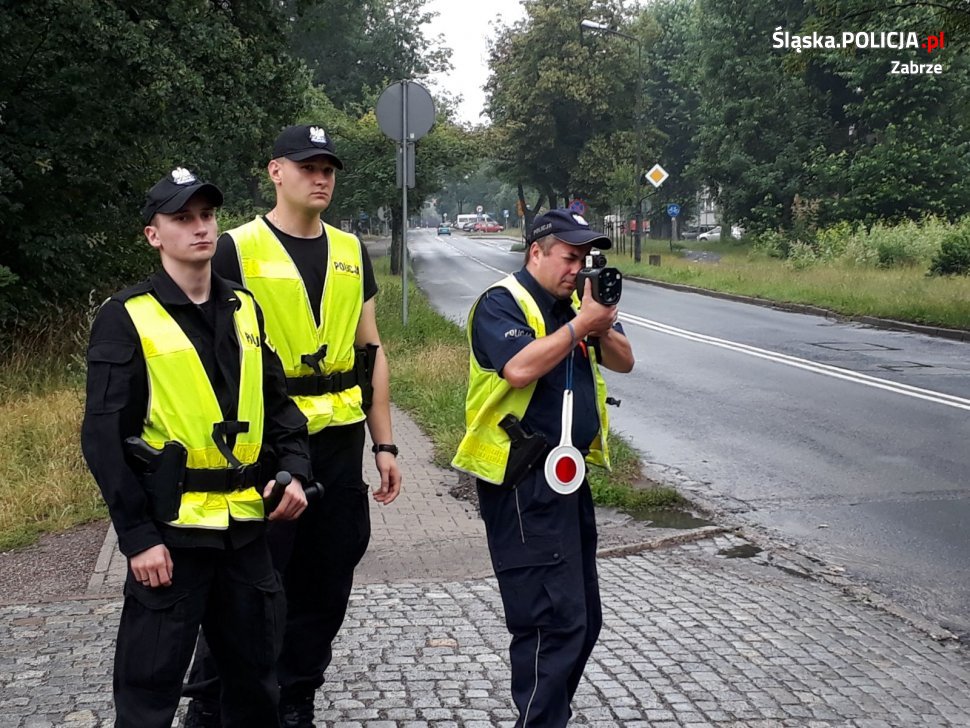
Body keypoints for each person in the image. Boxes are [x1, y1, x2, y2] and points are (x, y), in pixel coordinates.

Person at [184, 125, 402, 727]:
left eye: (328, 167)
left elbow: (371, 349)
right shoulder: (235, 249)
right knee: (253, 584)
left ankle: (296, 698)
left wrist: (385, 443)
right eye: (307, 166)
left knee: (327, 579)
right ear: (276, 171)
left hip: (340, 441)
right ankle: (209, 703)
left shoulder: (353, 251)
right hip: (269, 446)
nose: (321, 177)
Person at [81, 168, 312, 728]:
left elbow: (281, 409)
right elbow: (102, 438)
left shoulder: (244, 309)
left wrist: (296, 471)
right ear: (153, 234)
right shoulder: (125, 316)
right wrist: (136, 539)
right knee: (148, 691)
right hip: (172, 536)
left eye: (206, 216)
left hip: (246, 527)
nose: (200, 228)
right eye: (181, 219)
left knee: (256, 685)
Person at [452, 209, 635, 727]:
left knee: (584, 620)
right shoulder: (501, 303)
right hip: (521, 480)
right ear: (536, 252)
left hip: (567, 479)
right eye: (569, 257)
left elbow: (624, 362)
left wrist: (599, 319)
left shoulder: (577, 306)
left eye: (585, 260)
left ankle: (550, 715)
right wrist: (581, 323)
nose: (577, 269)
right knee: (548, 623)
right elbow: (519, 367)